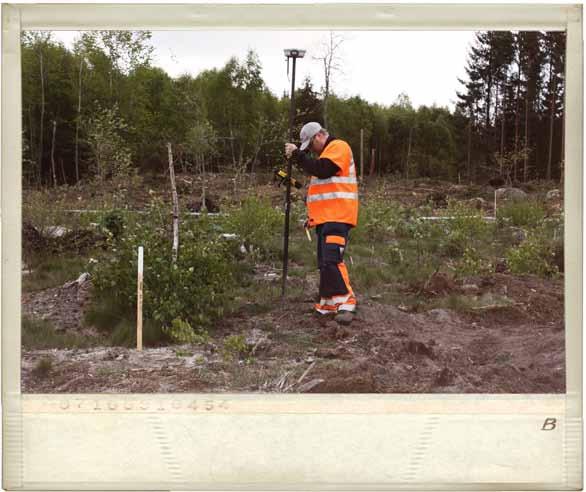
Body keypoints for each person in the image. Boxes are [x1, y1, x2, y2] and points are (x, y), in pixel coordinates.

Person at [285, 122, 358, 322]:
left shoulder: (338, 147)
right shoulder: (324, 156)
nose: (310, 151)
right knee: (324, 263)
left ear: (318, 136)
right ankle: (327, 304)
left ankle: (346, 303)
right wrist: (312, 219)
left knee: (332, 259)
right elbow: (323, 191)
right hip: (326, 218)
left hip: (338, 216)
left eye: (310, 146)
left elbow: (323, 169)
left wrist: (298, 155)